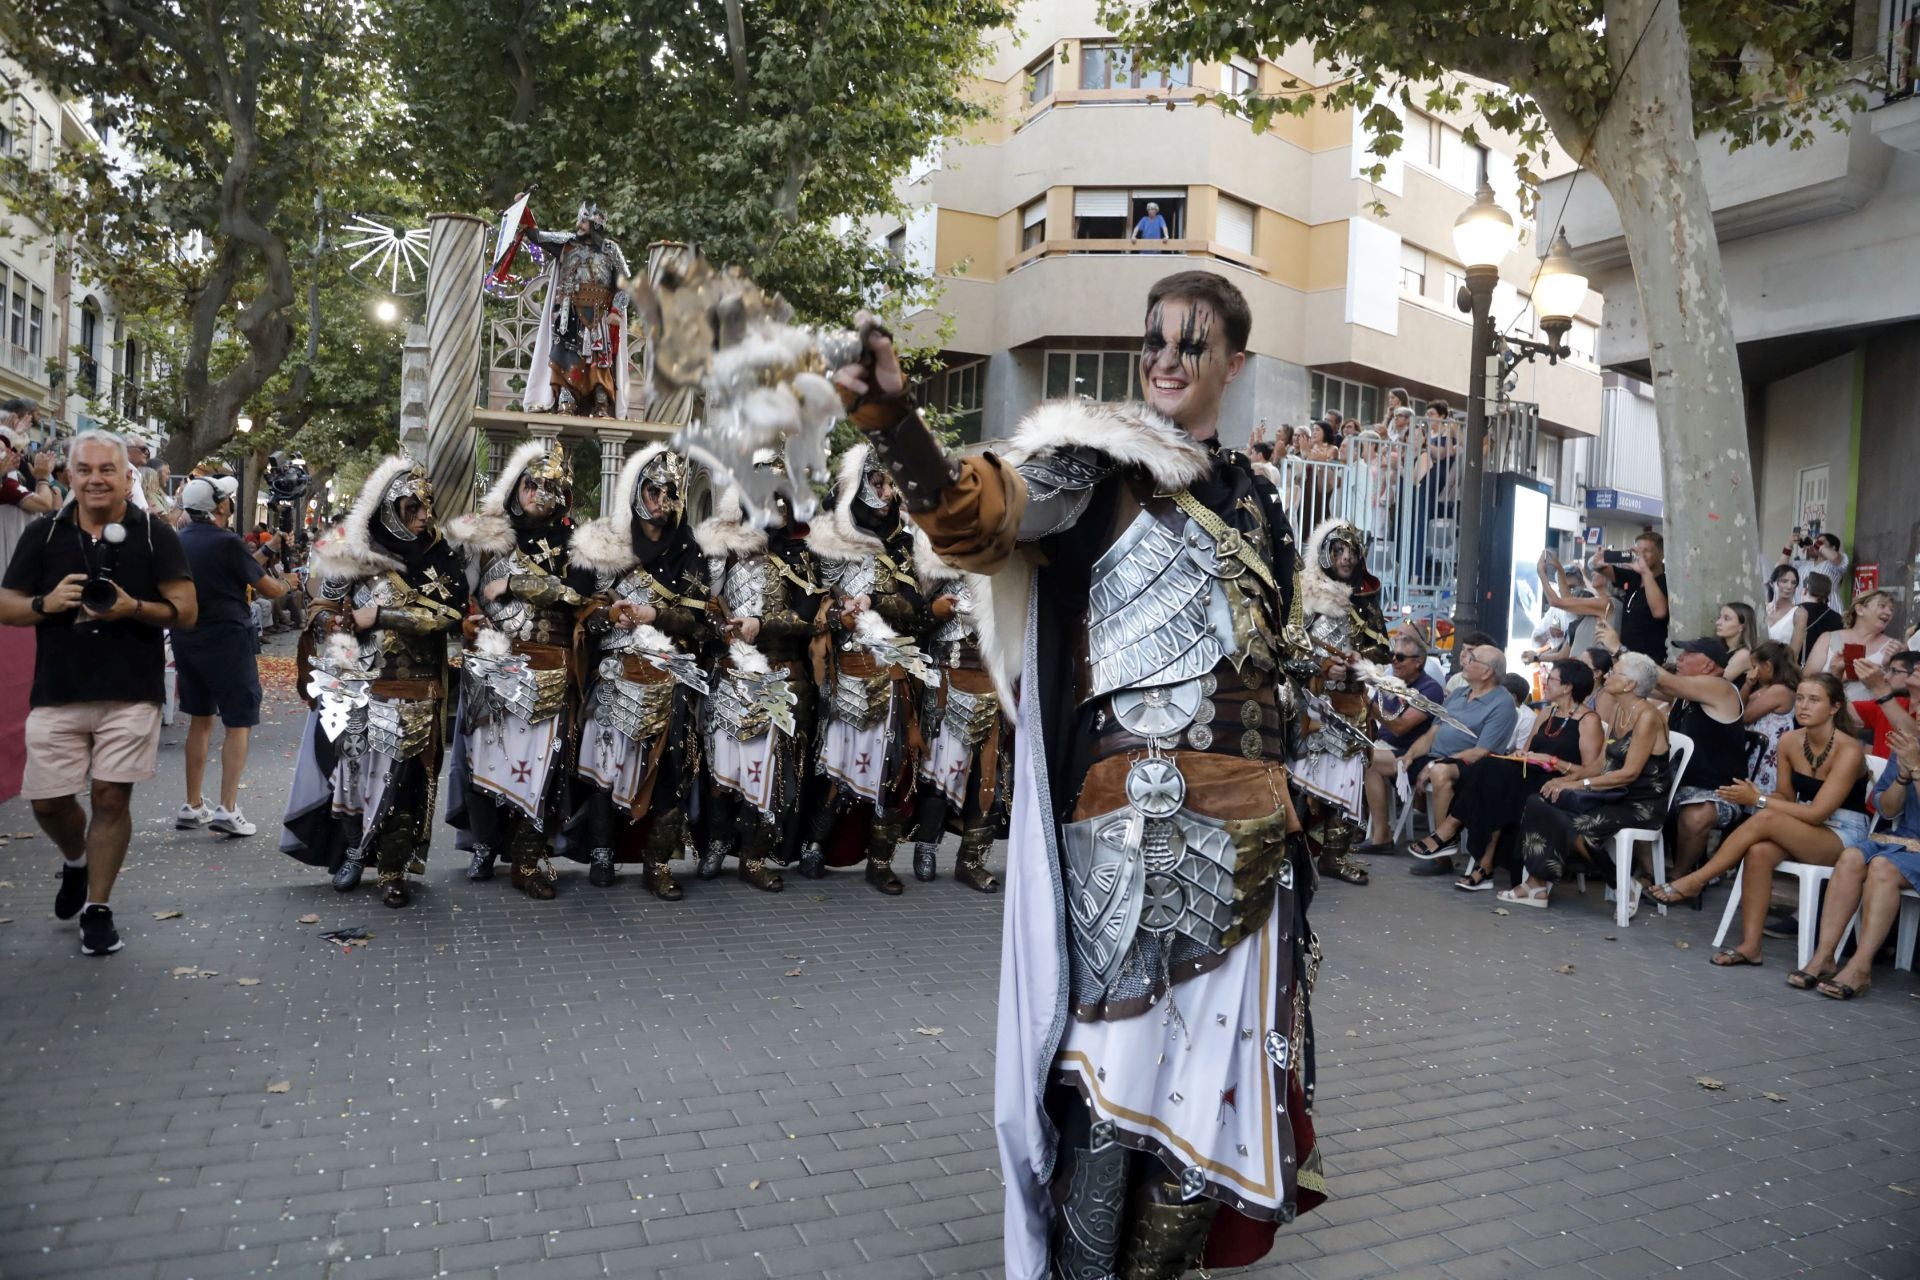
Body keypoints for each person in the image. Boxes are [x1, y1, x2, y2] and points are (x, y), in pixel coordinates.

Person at [841, 270, 1323, 1275]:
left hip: (1260, 842)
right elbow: (980, 516)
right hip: (1135, 842)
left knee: (1213, 1123)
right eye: (1153, 338)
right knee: (1114, 1103)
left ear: (1235, 361)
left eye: (1191, 343)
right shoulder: (1098, 466)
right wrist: (897, 423)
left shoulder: (1263, 506)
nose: (1166, 357)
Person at [0, 431, 198, 955]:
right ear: (67, 475)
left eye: (106, 469)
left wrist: (134, 608)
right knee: (46, 802)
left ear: (125, 475)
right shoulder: (43, 534)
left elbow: (187, 609)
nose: (94, 479)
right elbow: (6, 605)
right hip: (58, 689)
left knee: (111, 796)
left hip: (130, 689)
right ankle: (75, 861)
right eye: (84, 469)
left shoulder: (155, 535)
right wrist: (46, 604)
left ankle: (98, 908)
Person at [280, 458, 467, 906]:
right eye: (412, 507)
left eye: (427, 506)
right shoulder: (352, 552)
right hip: (358, 683)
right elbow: (321, 610)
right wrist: (336, 624)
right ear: (389, 507)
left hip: (415, 685)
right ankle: (352, 851)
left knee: (406, 781)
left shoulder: (440, 555)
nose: (424, 515)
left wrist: (381, 615)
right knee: (351, 775)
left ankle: (393, 868)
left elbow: (449, 616)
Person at [569, 446, 714, 898]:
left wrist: (656, 615)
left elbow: (698, 619)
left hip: (666, 668)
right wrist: (608, 618)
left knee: (670, 763)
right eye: (653, 490)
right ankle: (601, 851)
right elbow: (579, 611)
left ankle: (657, 862)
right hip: (613, 666)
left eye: (670, 492)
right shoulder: (608, 541)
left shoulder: (690, 547)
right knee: (603, 759)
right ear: (638, 491)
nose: (660, 499)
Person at [1650, 675, 1871, 967]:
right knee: (1758, 852)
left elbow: (1818, 812)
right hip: (1804, 826)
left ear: (1834, 708)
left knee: (1765, 818)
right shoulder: (1790, 741)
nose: (1803, 706)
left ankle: (1696, 879)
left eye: (1814, 700)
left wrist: (1758, 800)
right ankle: (1751, 946)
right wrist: (1760, 797)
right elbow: (1785, 796)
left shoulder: (1849, 749)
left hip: (1844, 834)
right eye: (1801, 698)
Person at [446, 441, 584, 899]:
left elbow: (579, 595)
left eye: (548, 485)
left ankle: (528, 856)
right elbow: (461, 599)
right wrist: (466, 621)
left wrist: (517, 583)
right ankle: (485, 844)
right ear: (515, 487)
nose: (538, 493)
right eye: (530, 483)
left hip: (549, 666)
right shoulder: (488, 539)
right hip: (492, 665)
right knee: (484, 760)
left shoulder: (576, 542)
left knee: (539, 767)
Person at [799, 445, 929, 892]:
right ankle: (815, 845)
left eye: (891, 485)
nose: (888, 493)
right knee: (833, 767)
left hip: (889, 671)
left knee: (891, 768)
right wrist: (837, 616)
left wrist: (875, 601)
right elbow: (809, 602)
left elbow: (914, 605)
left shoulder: (901, 544)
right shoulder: (829, 540)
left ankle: (880, 860)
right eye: (880, 483)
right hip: (843, 670)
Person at [695, 472, 821, 891]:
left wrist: (761, 623)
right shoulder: (722, 557)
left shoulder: (800, 557)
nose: (778, 512)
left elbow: (807, 617)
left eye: (783, 503)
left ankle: (754, 855)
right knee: (720, 770)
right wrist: (718, 625)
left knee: (769, 773)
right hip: (730, 675)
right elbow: (698, 614)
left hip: (779, 677)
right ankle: (715, 842)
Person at [1498, 652, 1670, 910]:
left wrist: (1578, 785)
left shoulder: (1647, 716)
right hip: (1611, 793)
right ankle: (1536, 884)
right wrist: (1566, 779)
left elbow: (1630, 773)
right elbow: (1599, 764)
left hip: (1637, 802)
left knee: (1568, 822)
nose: (1609, 675)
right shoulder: (1621, 710)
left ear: (1629, 685)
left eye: (1616, 672)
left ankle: (1621, 883)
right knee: (1538, 801)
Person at [172, 474, 287, 837]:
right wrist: (289, 585)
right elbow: (267, 586)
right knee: (237, 721)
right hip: (228, 638)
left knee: (200, 718)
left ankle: (193, 804)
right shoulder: (227, 542)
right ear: (221, 506)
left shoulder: (179, 541)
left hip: (188, 637)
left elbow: (233, 566)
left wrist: (266, 553)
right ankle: (228, 807)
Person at [1442, 660, 1604, 891]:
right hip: (1529, 775)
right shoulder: (1547, 712)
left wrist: (1552, 761)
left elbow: (1590, 770)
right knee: (1490, 771)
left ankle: (1463, 842)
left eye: (1551, 680)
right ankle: (1482, 862)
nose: (1545, 684)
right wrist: (1522, 755)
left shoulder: (1589, 721)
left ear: (1568, 687)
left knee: (1495, 782)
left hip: (1558, 782)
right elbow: (1528, 751)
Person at [1293, 519, 1391, 885]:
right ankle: (1292, 851)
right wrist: (1319, 666)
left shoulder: (1366, 600)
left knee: (1347, 783)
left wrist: (1355, 665)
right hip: (1310, 705)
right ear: (1326, 554)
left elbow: (1383, 652)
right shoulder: (1306, 595)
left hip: (1351, 707)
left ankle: (1335, 857)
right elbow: (1288, 649)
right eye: (1338, 551)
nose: (1346, 558)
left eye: (1352, 551)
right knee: (1302, 780)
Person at [1795, 727, 1920, 999]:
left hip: (1909, 851)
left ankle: (1860, 966)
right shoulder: (1910, 746)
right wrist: (1902, 775)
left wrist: (1918, 768)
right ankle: (1824, 956)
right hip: (1902, 840)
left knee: (1882, 867)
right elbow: (1887, 809)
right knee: (1851, 857)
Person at [910, 538, 1006, 892]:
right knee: (938, 776)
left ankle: (971, 861)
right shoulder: (935, 575)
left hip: (993, 686)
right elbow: (911, 623)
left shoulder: (1003, 576)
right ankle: (926, 848)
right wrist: (935, 611)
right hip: (947, 683)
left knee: (989, 781)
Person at [1400, 644, 1522, 875]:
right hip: (1435, 756)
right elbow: (1432, 733)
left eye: (1472, 658)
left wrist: (1435, 763)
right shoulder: (1457, 694)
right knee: (1375, 759)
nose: (1464, 660)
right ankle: (1378, 835)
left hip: (1471, 766)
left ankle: (1443, 854)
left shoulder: (1502, 703)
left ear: (1487, 672)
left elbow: (1482, 752)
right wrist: (1410, 755)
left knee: (1439, 773)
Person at [1641, 631, 1747, 879]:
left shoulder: (1721, 688)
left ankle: (1680, 879)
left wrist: (1623, 651)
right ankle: (1650, 874)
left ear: (1709, 664)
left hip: (1717, 791)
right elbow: (1648, 684)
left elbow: (1665, 681)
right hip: (1676, 785)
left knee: (1697, 815)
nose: (1680, 659)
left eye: (1688, 655)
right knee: (1628, 799)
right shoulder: (1685, 693)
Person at [524, 200, 632, 418]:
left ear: (596, 224)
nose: (580, 224)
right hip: (569, 313)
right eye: (580, 219)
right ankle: (566, 404)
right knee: (566, 358)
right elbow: (536, 236)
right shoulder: (567, 243)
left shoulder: (611, 250)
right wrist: (522, 210)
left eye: (585, 221)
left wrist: (616, 310)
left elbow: (625, 284)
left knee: (600, 361)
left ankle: (601, 405)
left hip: (599, 315)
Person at [1359, 636, 1445, 851]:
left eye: (1400, 657)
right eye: (1392, 656)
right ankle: (1353, 825)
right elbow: (1369, 718)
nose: (1394, 662)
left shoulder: (1430, 690)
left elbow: (1400, 727)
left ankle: (1382, 834)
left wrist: (1366, 702)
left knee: (1368, 760)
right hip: (1386, 746)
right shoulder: (1391, 684)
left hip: (1413, 754)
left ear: (1419, 661)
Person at [1805, 587, 1899, 704]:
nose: (1888, 612)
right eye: (1882, 606)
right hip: (1826, 715)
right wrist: (1838, 673)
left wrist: (1887, 669)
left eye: (1891, 609)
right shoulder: (1828, 638)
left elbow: (1902, 689)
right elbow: (1807, 679)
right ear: (1860, 609)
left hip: (1866, 719)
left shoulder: (1894, 647)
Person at [1740, 641, 1801, 801]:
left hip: (1769, 752)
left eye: (1755, 667)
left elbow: (1744, 717)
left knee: (1762, 792)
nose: (1752, 672)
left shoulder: (1780, 691)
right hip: (1757, 749)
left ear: (1767, 666)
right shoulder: (1765, 689)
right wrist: (1748, 686)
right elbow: (1738, 707)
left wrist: (1747, 686)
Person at [1606, 532, 1669, 662]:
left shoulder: (1667, 581)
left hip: (1651, 661)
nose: (1641, 556)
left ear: (1661, 554)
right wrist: (1599, 559)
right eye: (1638, 551)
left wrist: (1645, 571)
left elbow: (1659, 612)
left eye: (1647, 551)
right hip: (1626, 658)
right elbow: (1602, 570)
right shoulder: (1634, 576)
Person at [1853, 652, 1917, 757]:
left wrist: (1880, 688)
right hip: (1878, 772)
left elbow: (1914, 738)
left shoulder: (1886, 700)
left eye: (1895, 671)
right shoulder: (1893, 702)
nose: (1886, 677)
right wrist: (1835, 675)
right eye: (1888, 670)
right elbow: (1836, 709)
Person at [1796, 572, 1842, 666]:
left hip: (1793, 671)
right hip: (1824, 673)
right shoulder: (1838, 619)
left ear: (1804, 590)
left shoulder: (1792, 613)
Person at [1715, 601, 1761, 684]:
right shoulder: (1724, 650)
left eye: (1727, 619)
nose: (1718, 623)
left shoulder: (1743, 654)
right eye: (1719, 617)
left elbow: (1716, 684)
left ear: (1741, 627)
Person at [1764, 563, 1802, 651]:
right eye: (1784, 581)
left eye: (1793, 583)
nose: (1789, 586)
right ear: (1771, 583)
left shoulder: (1798, 613)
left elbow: (1794, 654)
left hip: (1782, 663)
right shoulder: (1762, 609)